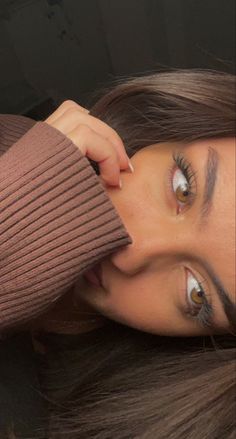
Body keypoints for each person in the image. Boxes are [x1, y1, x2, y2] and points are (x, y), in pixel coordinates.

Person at [0, 68, 235, 437]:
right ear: (167, 130)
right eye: (182, 187)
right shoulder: (9, 140)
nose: (130, 252)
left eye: (197, 292)